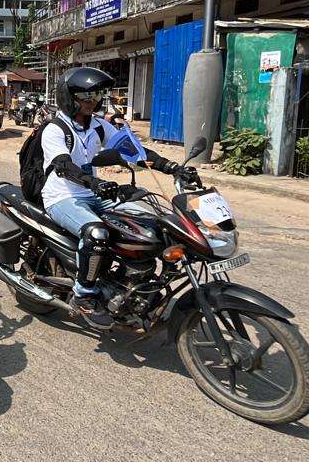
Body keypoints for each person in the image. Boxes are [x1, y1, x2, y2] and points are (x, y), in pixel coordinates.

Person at [40, 67, 198, 329]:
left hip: (94, 193)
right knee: (96, 234)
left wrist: (171, 167)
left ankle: (137, 281)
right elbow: (63, 166)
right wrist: (94, 182)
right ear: (70, 97)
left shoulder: (99, 126)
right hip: (63, 197)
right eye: (86, 96)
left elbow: (134, 151)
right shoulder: (55, 130)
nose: (93, 101)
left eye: (96, 95)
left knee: (152, 218)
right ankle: (84, 293)